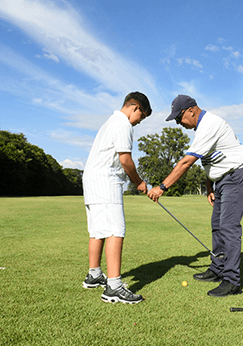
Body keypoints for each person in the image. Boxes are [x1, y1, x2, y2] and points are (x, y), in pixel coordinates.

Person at [147, 95, 243, 297]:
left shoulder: (209, 124)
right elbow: (209, 163)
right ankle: (218, 269)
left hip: (237, 175)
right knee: (217, 225)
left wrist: (162, 187)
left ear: (191, 110)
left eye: (179, 119)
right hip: (223, 180)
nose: (179, 124)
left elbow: (186, 163)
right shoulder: (201, 130)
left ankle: (232, 281)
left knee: (229, 228)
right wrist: (209, 187)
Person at [81, 91, 151, 304]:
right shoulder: (123, 124)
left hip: (92, 181)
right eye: (143, 116)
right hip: (106, 181)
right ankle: (113, 286)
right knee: (115, 230)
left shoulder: (109, 122)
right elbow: (125, 159)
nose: (140, 122)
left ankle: (94, 275)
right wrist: (139, 182)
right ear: (135, 107)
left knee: (98, 230)